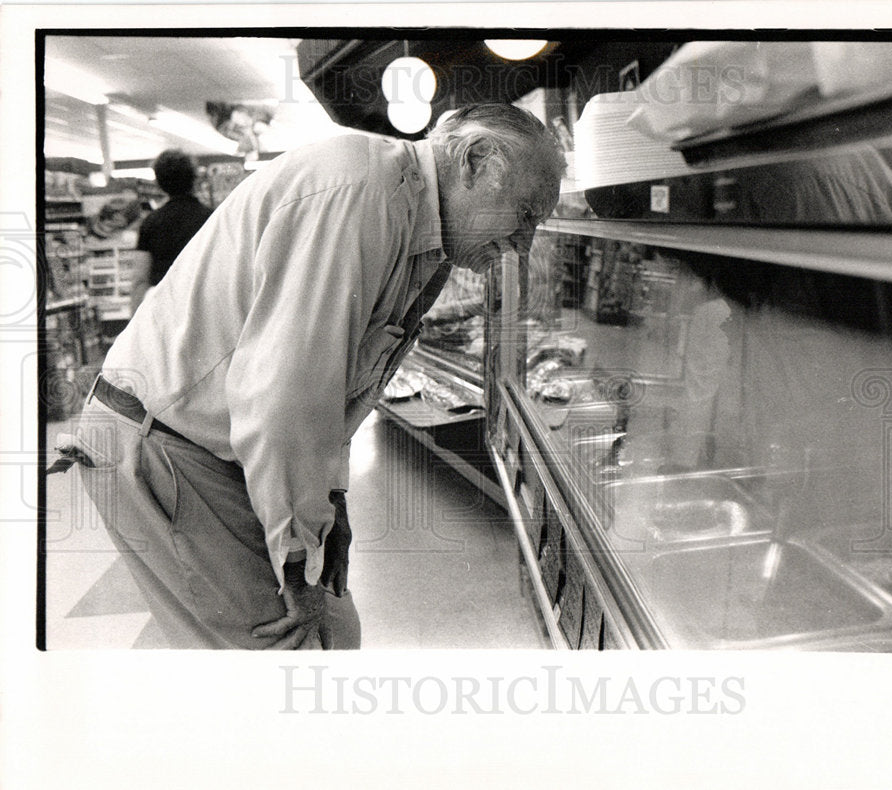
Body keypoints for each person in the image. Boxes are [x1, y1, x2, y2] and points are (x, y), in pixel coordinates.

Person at [53, 104, 565, 649]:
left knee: (332, 632)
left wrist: (331, 504)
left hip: (208, 445)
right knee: (288, 652)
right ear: (475, 159)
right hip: (166, 445)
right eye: (526, 214)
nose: (524, 245)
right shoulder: (361, 195)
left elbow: (333, 387)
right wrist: (299, 562)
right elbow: (285, 400)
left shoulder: (416, 220)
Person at [129, 149, 213, 314]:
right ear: (194, 179)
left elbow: (140, 278)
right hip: (205, 306)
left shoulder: (151, 223)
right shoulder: (211, 217)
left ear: (159, 183)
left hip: (166, 308)